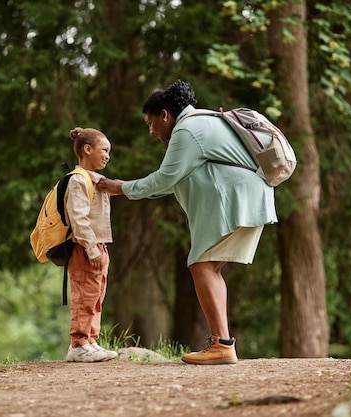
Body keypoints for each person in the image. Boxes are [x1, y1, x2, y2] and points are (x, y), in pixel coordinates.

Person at [97, 80, 277, 365]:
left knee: (202, 265)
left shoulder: (187, 129)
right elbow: (172, 182)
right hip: (249, 196)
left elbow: (164, 178)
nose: (151, 131)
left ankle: (222, 344)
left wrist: (121, 187)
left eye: (151, 123)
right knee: (209, 266)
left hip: (238, 199)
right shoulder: (203, 120)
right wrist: (131, 189)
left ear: (165, 114)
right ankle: (223, 343)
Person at [63, 127, 118, 362]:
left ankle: (90, 341)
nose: (107, 155)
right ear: (87, 149)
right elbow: (79, 219)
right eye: (104, 150)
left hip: (98, 247)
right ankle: (78, 344)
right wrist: (92, 248)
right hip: (85, 248)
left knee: (96, 297)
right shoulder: (77, 180)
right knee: (84, 296)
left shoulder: (95, 180)